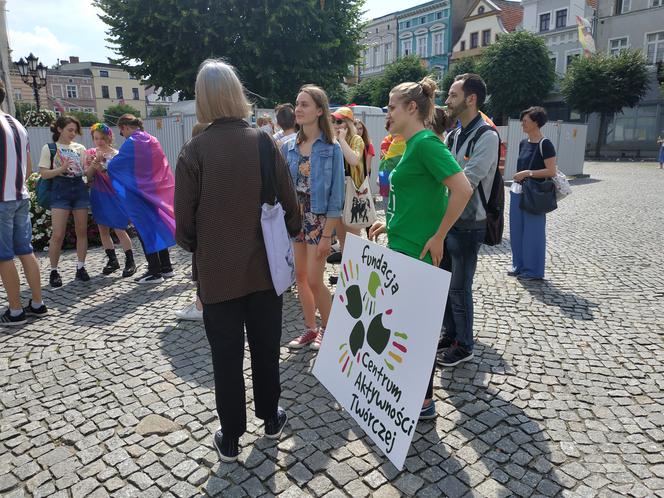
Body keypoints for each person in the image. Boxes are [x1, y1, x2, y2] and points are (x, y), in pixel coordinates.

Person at [175, 59, 301, 463]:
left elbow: (184, 229)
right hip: (264, 269)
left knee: (225, 357)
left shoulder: (192, 152)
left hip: (217, 275)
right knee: (266, 348)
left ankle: (230, 436)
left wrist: (206, 242)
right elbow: (291, 206)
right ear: (237, 94)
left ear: (203, 100)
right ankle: (270, 417)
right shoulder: (264, 142)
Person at [368, 76, 472, 420]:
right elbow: (415, 195)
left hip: (420, 253)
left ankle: (423, 402)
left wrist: (440, 234)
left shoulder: (427, 143)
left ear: (412, 108)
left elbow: (462, 189)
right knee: (406, 327)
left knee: (417, 330)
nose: (388, 112)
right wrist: (391, 223)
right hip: (403, 245)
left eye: (392, 106)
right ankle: (411, 393)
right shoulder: (411, 144)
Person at [437, 73, 500, 368]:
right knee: (445, 283)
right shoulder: (454, 135)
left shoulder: (486, 136)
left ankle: (465, 344)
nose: (447, 101)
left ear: (470, 99)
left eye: (453, 95)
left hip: (469, 224)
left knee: (460, 286)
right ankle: (451, 334)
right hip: (449, 220)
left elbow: (467, 180)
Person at [283, 85, 344, 350]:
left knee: (315, 280)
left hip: (318, 220)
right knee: (300, 276)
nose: (298, 108)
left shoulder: (332, 148)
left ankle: (330, 330)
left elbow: (337, 197)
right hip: (296, 217)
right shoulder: (288, 146)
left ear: (320, 110)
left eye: (305, 104)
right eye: (297, 103)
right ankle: (311, 328)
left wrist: (328, 234)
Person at [107, 114, 176, 284]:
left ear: (125, 127)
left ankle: (154, 272)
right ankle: (166, 268)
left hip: (138, 194)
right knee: (157, 227)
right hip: (154, 192)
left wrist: (105, 163)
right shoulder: (153, 139)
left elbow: (116, 166)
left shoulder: (131, 142)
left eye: (121, 132)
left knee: (146, 231)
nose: (123, 135)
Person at [0, 80, 47, 325]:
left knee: (3, 256)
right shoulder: (17, 124)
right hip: (20, 196)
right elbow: (28, 168)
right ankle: (37, 303)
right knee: (26, 251)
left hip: (2, 199)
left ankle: (15, 310)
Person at [38, 115, 90, 288]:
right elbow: (44, 173)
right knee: (58, 234)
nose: (73, 133)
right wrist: (60, 168)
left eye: (75, 130)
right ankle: (54, 271)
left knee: (82, 231)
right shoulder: (50, 148)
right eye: (70, 130)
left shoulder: (80, 148)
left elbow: (85, 174)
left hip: (79, 190)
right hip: (60, 191)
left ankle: (81, 267)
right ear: (59, 129)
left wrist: (94, 167)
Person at [509, 106, 557, 281]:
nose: (522, 123)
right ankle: (519, 266)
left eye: (525, 120)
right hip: (518, 191)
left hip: (535, 194)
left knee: (533, 233)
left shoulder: (546, 144)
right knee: (517, 231)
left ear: (536, 123)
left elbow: (551, 171)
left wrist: (527, 173)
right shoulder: (523, 143)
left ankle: (534, 270)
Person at [84, 123, 136, 277]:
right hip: (98, 194)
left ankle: (130, 261)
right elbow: (87, 177)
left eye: (102, 138)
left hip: (115, 195)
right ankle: (112, 260)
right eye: (96, 138)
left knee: (120, 228)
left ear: (109, 137)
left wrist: (102, 167)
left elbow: (120, 179)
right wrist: (94, 166)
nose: (99, 141)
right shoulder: (90, 153)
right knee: (103, 229)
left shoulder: (117, 154)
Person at [175, 122, 209, 321]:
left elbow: (184, 202)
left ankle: (200, 306)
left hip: (201, 226)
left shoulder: (191, 156)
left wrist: (187, 238)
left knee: (202, 268)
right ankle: (200, 304)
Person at [331, 106, 365, 253]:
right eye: (333, 121)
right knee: (342, 240)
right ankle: (345, 275)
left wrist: (342, 140)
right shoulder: (333, 141)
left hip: (354, 194)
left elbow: (353, 160)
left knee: (353, 241)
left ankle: (355, 275)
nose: (336, 125)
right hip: (338, 194)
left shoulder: (356, 139)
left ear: (348, 123)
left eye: (339, 121)